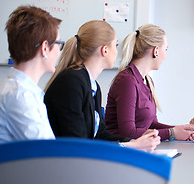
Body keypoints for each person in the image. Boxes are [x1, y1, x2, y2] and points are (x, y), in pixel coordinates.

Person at [44, 20, 160, 152]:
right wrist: (131, 146)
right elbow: (77, 144)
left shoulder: (93, 86)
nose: (117, 52)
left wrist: (135, 141)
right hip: (65, 163)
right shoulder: (71, 82)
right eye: (115, 45)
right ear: (104, 50)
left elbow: (100, 135)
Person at [105, 24, 194, 141]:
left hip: (139, 147)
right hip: (120, 150)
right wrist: (172, 133)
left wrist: (181, 130)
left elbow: (151, 125)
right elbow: (128, 132)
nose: (166, 55)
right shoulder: (127, 81)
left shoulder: (147, 81)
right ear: (156, 51)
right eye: (166, 49)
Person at [0, 5, 61, 143]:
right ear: (45, 48)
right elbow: (46, 154)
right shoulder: (20, 96)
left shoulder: (22, 90)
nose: (59, 51)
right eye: (58, 44)